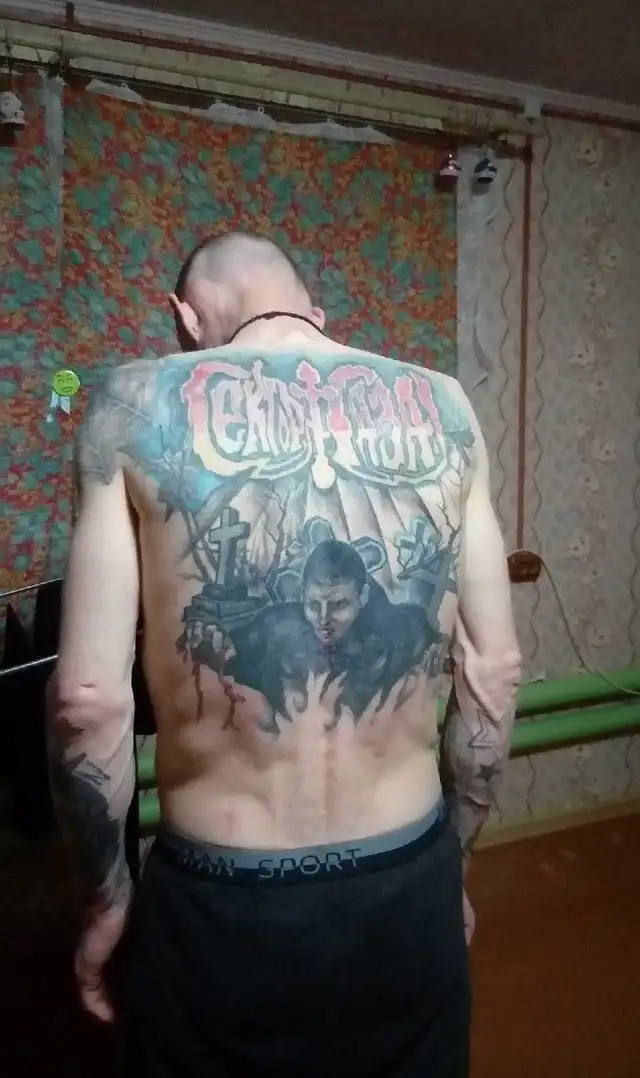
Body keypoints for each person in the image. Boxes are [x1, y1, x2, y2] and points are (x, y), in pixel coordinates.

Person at [47, 231, 521, 1077]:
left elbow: (87, 702)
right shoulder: (447, 407)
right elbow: (494, 672)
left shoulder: (131, 406)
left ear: (186, 318)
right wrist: (453, 864)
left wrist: (105, 901)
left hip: (225, 897)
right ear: (316, 313)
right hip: (407, 873)